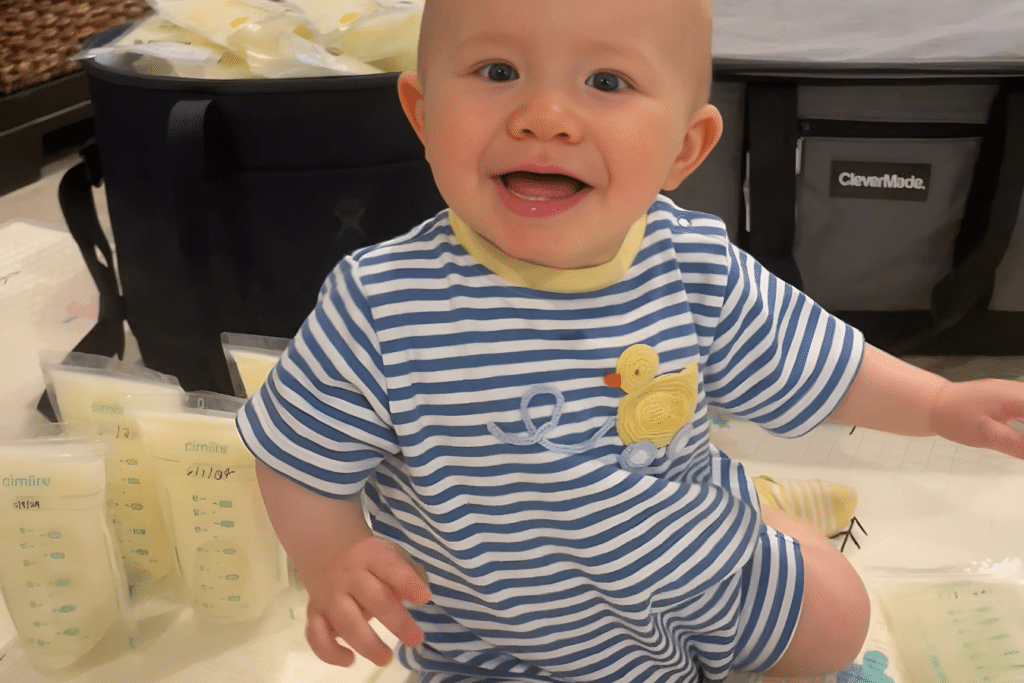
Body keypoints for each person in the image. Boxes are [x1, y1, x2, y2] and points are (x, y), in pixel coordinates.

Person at [236, 0, 1024, 681]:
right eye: (497, 71)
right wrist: (330, 553)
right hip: (502, 641)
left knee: (841, 616)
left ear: (684, 148)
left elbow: (823, 364)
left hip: (702, 570)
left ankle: (766, 517)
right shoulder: (380, 303)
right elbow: (296, 453)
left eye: (606, 83)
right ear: (421, 110)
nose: (543, 115)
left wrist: (941, 404)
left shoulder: (691, 266)